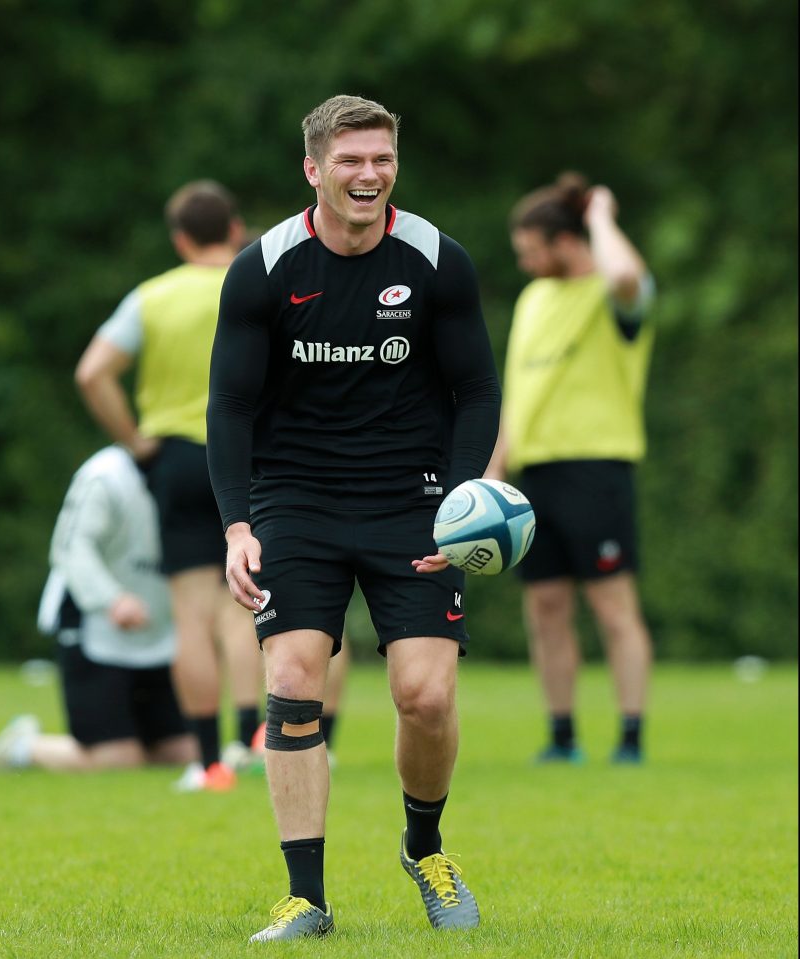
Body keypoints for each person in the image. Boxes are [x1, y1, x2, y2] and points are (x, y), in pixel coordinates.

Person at [207, 94, 501, 941]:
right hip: (293, 497)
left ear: (395, 165)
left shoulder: (439, 260)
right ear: (314, 169)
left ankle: (426, 847)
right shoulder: (263, 268)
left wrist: (459, 498)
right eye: (350, 161)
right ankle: (308, 896)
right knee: (294, 681)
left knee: (426, 695)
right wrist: (237, 525)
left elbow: (476, 390)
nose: (368, 175)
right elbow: (228, 405)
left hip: (411, 497)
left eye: (381, 159)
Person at [74, 181, 262, 791]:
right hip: (251, 456)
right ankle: (252, 740)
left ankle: (206, 763)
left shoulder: (152, 297)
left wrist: (134, 441)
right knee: (244, 610)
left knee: (192, 616)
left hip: (179, 460)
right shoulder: (257, 282)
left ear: (180, 238)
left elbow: (93, 373)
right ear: (233, 229)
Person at [485, 172, 655, 765]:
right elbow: (517, 395)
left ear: (564, 240)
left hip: (597, 467)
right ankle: (561, 736)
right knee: (546, 608)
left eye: (532, 249)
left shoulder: (614, 294)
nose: (526, 262)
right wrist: (492, 474)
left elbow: (628, 275)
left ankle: (630, 737)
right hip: (534, 478)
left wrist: (600, 215)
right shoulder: (533, 301)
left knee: (612, 606)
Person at [0, 446, 198, 773]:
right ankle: (24, 747)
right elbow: (71, 548)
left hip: (160, 631)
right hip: (93, 625)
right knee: (118, 760)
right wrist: (112, 598)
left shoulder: (207, 471)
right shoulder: (107, 475)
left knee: (185, 753)